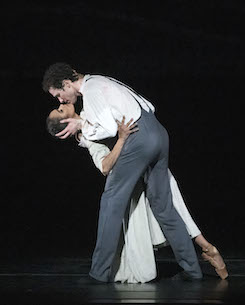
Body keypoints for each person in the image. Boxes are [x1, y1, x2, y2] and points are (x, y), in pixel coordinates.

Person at [42, 62, 212, 282]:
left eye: (59, 95)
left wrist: (81, 125)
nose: (60, 100)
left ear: (66, 83)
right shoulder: (99, 80)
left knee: (111, 202)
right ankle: (192, 270)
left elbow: (110, 129)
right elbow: (147, 105)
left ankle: (99, 273)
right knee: (163, 206)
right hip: (158, 133)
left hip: (138, 138)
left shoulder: (91, 90)